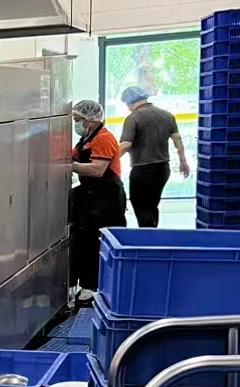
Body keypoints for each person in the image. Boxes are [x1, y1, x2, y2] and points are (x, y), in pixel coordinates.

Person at [69, 99, 126, 304]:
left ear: (90, 119)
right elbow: (72, 156)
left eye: (78, 119)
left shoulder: (104, 138)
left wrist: (69, 166)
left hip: (107, 198)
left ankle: (94, 287)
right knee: (85, 240)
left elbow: (97, 169)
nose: (76, 123)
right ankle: (85, 283)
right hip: (91, 195)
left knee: (96, 242)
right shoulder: (85, 139)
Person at [118, 85, 189, 228]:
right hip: (163, 169)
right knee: (152, 205)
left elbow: (125, 145)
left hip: (142, 169)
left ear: (130, 103)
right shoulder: (167, 115)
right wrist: (183, 162)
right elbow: (178, 141)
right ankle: (153, 234)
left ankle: (146, 238)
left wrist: (109, 160)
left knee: (141, 207)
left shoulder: (133, 118)